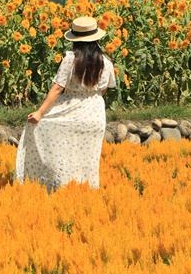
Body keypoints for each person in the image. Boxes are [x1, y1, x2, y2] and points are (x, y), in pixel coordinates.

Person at [15, 16, 116, 191]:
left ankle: (60, 189)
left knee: (61, 153)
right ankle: (86, 191)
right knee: (88, 159)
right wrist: (90, 97)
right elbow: (105, 89)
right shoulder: (106, 61)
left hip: (71, 111)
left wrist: (39, 113)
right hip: (95, 114)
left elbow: (57, 89)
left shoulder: (71, 59)